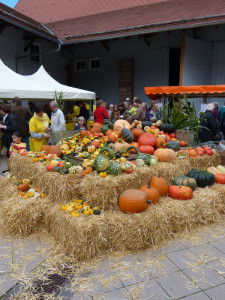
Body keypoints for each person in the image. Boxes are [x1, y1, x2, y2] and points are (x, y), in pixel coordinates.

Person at [0, 103, 18, 172]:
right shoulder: (5, 117)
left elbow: (15, 127)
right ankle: (9, 167)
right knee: (4, 153)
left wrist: (3, 127)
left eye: (0, 110)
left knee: (8, 154)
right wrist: (2, 127)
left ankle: (11, 168)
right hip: (5, 138)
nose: (0, 112)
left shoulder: (11, 117)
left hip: (9, 138)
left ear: (3, 110)